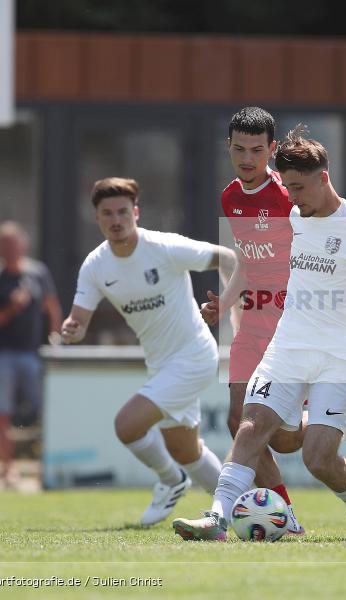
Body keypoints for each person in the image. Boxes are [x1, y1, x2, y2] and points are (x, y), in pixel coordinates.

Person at [173, 127, 346, 541]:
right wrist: (229, 301)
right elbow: (253, 260)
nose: (291, 199)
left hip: (337, 355)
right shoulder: (295, 216)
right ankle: (217, 518)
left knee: (316, 457)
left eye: (298, 188)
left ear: (324, 178)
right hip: (287, 345)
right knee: (250, 425)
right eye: (288, 188)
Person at [60, 177, 236, 526]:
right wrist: (72, 329)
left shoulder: (164, 247)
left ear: (136, 212)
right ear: (97, 218)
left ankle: (171, 482)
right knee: (186, 450)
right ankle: (237, 512)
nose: (116, 220)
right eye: (107, 213)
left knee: (127, 425)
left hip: (196, 355)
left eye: (123, 212)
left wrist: (234, 307)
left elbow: (228, 257)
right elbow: (77, 321)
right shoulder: (95, 266)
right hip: (161, 365)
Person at [0, 221, 62, 486]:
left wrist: (55, 341)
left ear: (23, 245)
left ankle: (48, 465)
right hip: (2, 355)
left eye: (13, 245)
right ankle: (7, 469)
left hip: (33, 354)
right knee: (1, 413)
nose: (9, 250)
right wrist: (11, 309)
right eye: (4, 246)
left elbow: (52, 308)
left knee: (45, 410)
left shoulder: (38, 273)